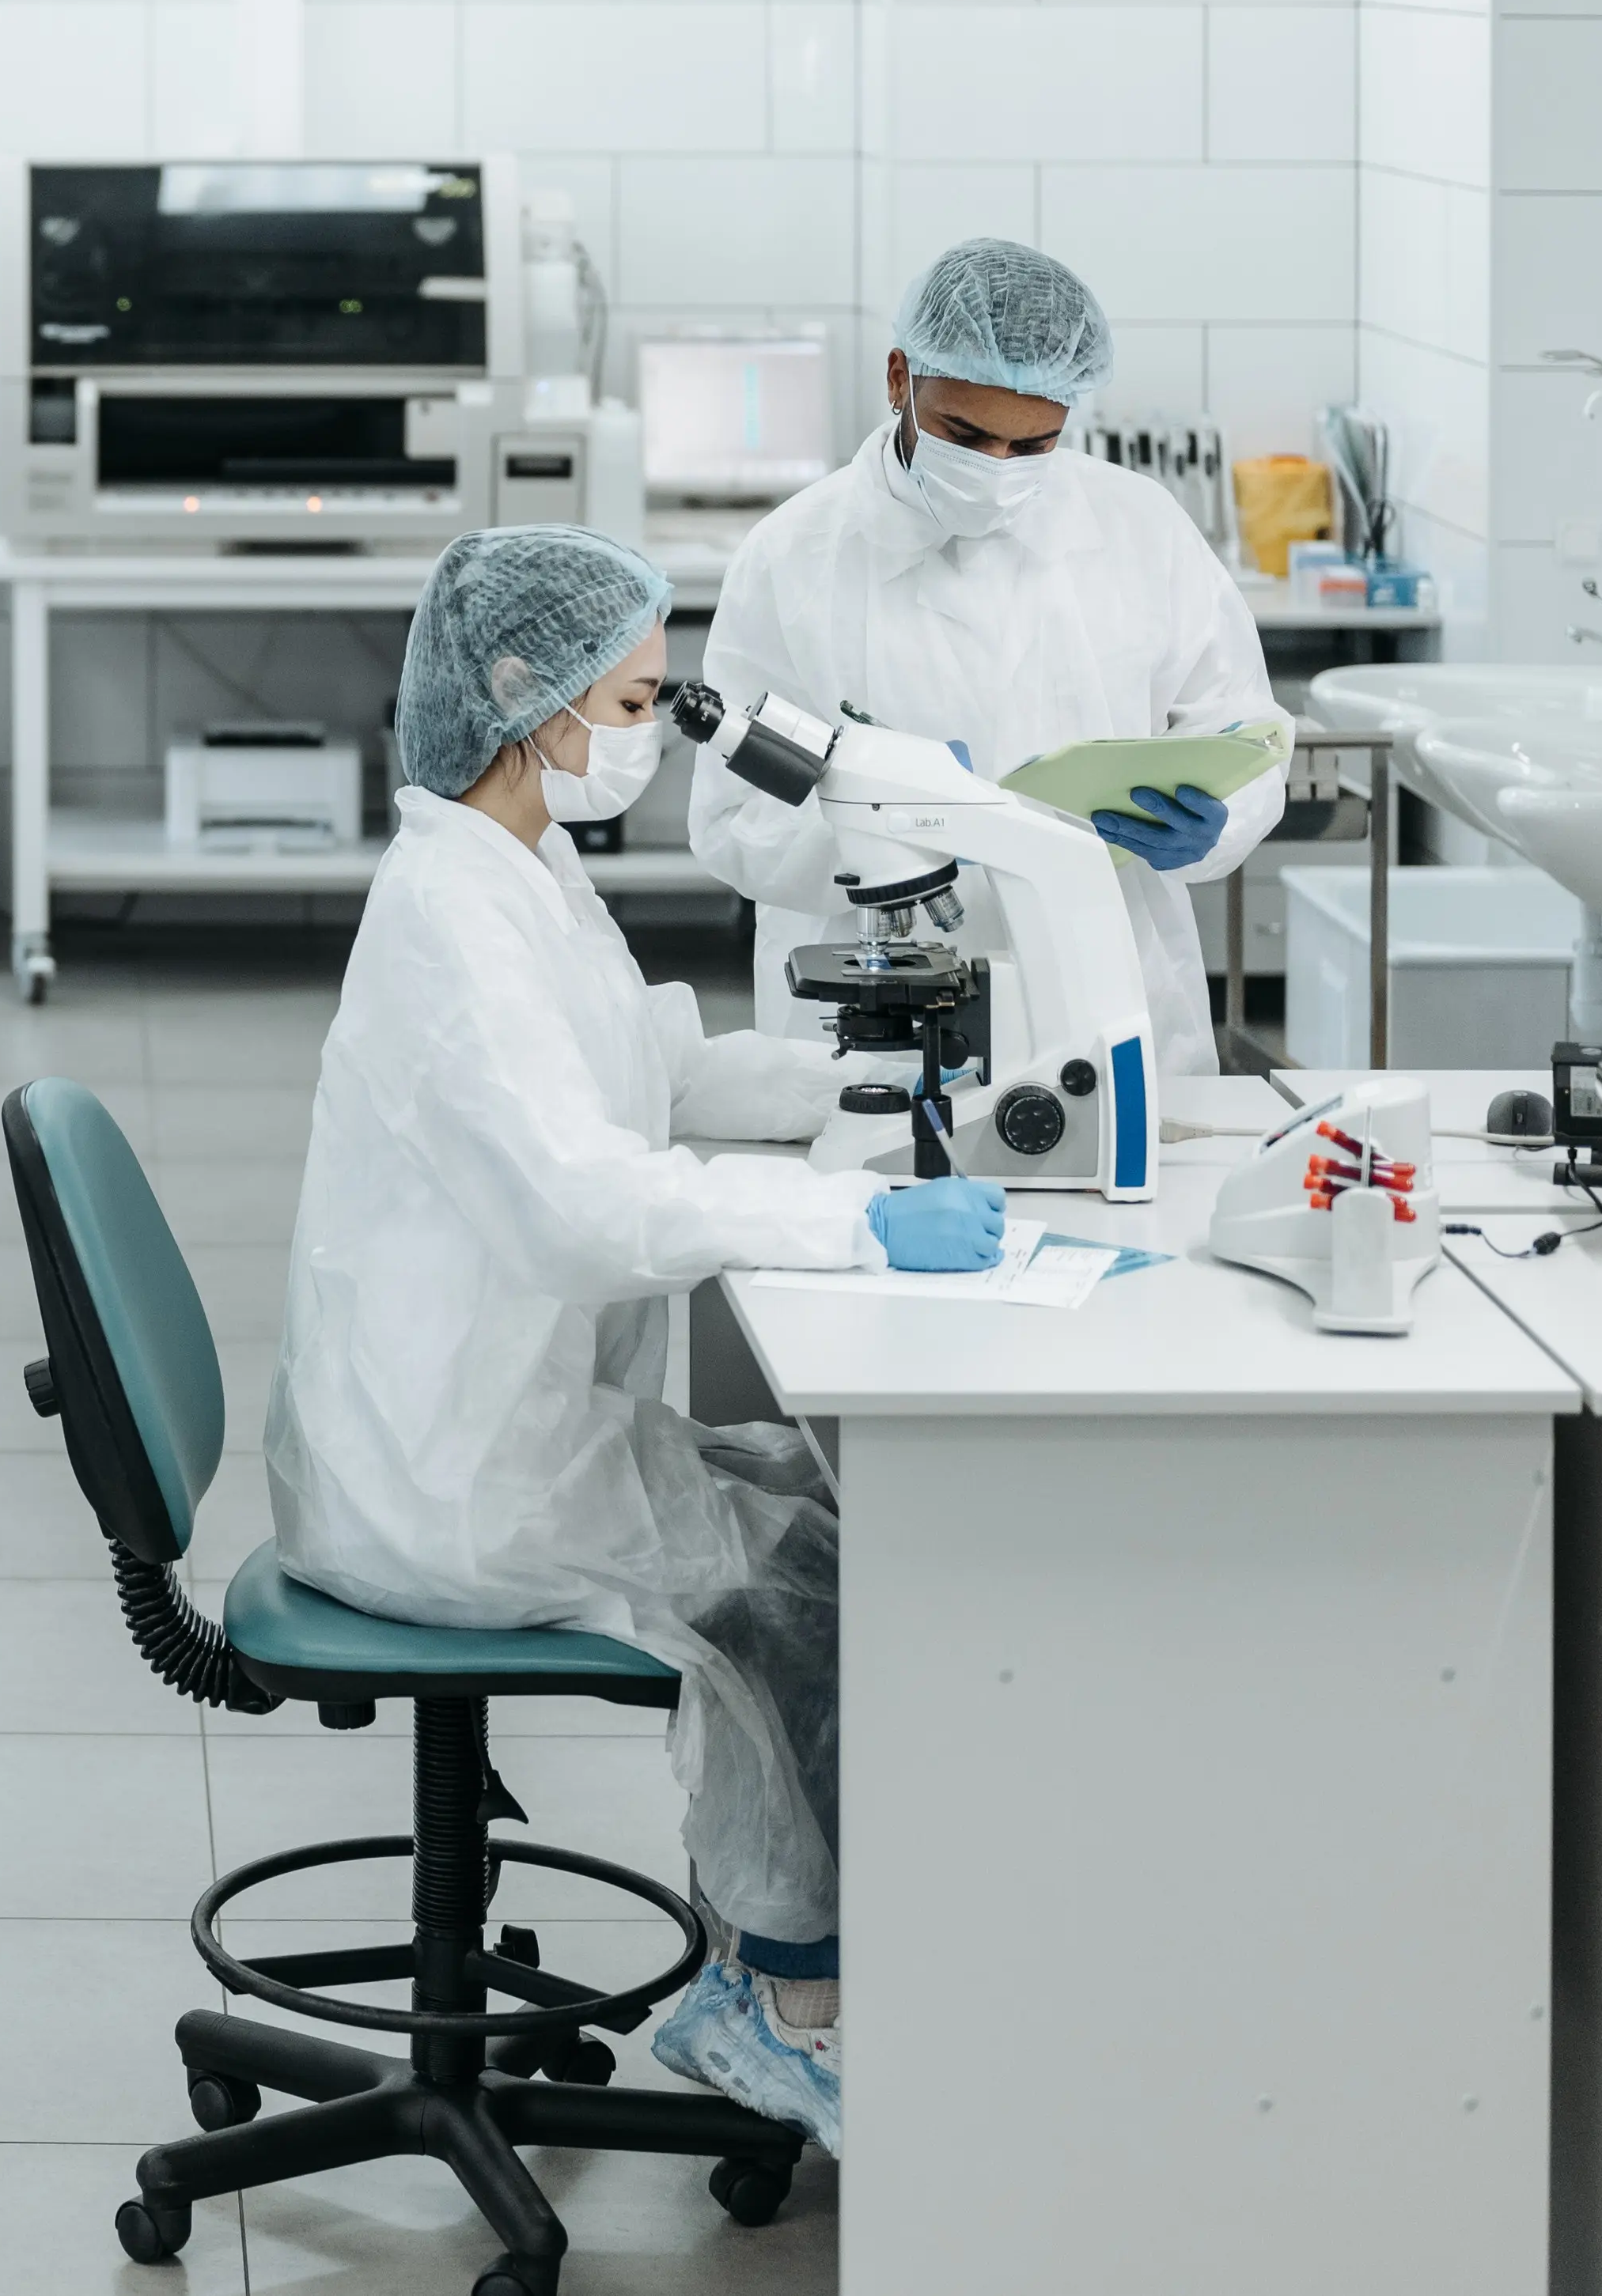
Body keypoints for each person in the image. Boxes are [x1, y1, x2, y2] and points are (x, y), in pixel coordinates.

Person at [263, 525, 1010, 2159]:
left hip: (496, 1425)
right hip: (448, 1484)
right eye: (633, 693)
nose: (651, 726)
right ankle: (780, 1995)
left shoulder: (518, 856)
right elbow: (583, 1209)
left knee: (812, 1511)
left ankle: (762, 1935)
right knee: (807, 1586)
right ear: (523, 693)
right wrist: (852, 1221)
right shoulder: (451, 916)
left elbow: (636, 1070)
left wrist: (838, 1089)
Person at [689, 239, 1288, 1075]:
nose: (993, 471)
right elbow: (732, 817)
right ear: (899, 377)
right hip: (871, 1014)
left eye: (1031, 446)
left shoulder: (1137, 526)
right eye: (962, 433)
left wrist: (1215, 825)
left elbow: (1241, 724)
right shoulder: (794, 556)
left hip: (1107, 986)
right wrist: (891, 829)